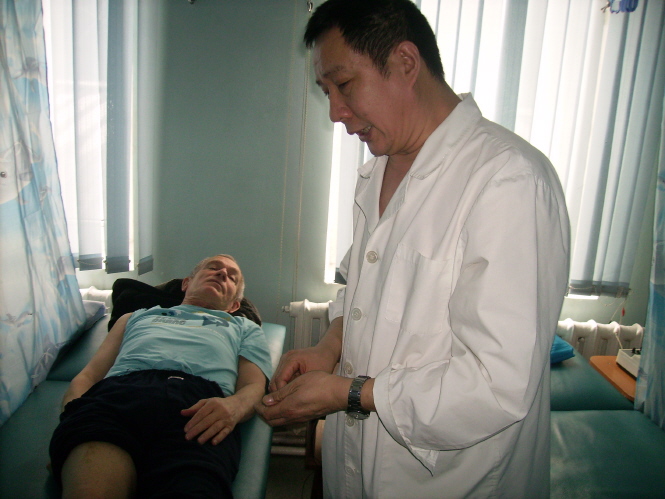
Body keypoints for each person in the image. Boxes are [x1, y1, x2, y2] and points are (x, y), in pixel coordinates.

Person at [255, 1, 570, 497]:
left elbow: (498, 385)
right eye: (326, 92)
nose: (335, 112)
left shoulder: (509, 180)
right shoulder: (379, 170)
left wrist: (349, 393)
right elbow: (363, 298)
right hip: (354, 469)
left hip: (455, 482)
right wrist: (328, 349)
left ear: (405, 62)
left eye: (343, 85)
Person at [49, 254, 273, 498]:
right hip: (119, 396)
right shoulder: (134, 317)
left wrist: (232, 408)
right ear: (186, 283)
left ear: (234, 306)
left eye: (232, 277)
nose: (222, 274)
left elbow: (254, 386)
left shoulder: (245, 328)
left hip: (200, 411)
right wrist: (70, 421)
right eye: (213, 267)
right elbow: (88, 376)